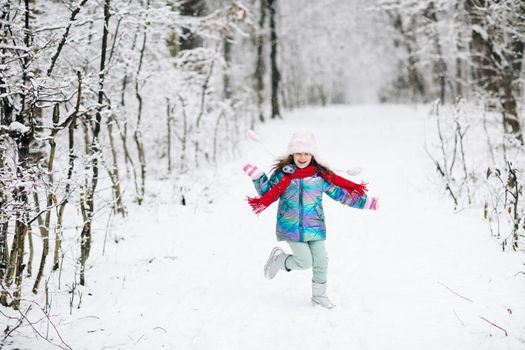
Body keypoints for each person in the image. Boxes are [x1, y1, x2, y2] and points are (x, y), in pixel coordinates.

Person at [243, 132, 379, 309]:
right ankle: (279, 260)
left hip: (315, 226)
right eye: (299, 153)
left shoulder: (319, 177)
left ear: (313, 155)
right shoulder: (282, 175)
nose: (302, 157)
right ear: (292, 154)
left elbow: (341, 194)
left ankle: (319, 296)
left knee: (321, 261)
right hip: (291, 227)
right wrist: (258, 177)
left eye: (307, 153)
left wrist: (365, 203)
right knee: (305, 261)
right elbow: (267, 193)